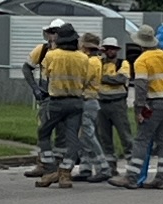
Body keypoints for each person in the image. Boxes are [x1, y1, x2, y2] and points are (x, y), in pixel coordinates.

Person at [32, 22, 99, 185]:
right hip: (76, 102)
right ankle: (65, 173)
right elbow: (86, 78)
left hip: (56, 101)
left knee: (44, 133)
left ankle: (50, 169)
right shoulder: (84, 58)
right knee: (73, 139)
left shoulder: (51, 55)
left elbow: (46, 74)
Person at [128, 23, 163, 188]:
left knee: (141, 140)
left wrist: (139, 109)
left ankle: (132, 177)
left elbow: (141, 87)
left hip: (154, 103)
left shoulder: (141, 60)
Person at [89, 37, 136, 183]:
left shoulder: (123, 63)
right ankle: (110, 168)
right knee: (105, 138)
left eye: (112, 48)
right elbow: (92, 77)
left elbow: (120, 80)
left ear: (116, 50)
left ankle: (133, 168)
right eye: (107, 48)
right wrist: (107, 78)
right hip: (101, 103)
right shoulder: (99, 63)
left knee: (125, 137)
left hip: (118, 104)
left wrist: (102, 78)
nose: (110, 51)